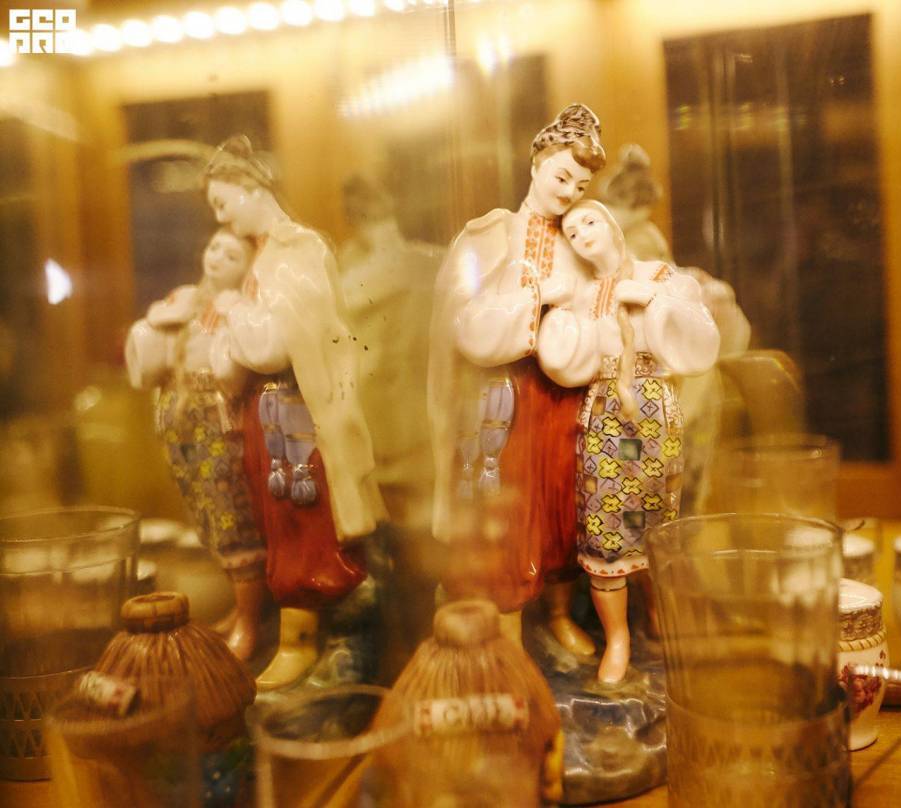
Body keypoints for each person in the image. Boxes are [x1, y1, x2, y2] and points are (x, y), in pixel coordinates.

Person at [205, 135, 386, 690]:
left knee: (300, 521)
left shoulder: (296, 251)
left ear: (251, 187)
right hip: (269, 413)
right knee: (279, 518)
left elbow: (271, 345)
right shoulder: (263, 254)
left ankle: (302, 638)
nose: (221, 218)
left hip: (294, 415)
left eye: (222, 202)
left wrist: (233, 309)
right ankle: (303, 634)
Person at [429, 104, 606, 653]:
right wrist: (536, 299)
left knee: (562, 501)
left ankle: (559, 611)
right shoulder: (489, 237)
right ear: (536, 164)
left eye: (580, 186)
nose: (569, 193)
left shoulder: (582, 238)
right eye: (561, 177)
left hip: (562, 395)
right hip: (501, 397)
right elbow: (466, 324)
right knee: (508, 506)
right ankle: (507, 625)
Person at [536, 200, 720, 682]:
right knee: (606, 526)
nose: (582, 234)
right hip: (606, 417)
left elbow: (698, 333)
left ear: (612, 224)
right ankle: (617, 640)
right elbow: (564, 358)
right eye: (572, 232)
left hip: (653, 411)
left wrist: (654, 299)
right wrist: (555, 308)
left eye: (590, 221)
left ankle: (658, 613)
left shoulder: (659, 275)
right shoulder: (584, 295)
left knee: (657, 518)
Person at [125, 227, 268, 660]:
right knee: (210, 519)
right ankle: (241, 612)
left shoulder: (245, 308)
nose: (217, 257)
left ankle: (250, 621)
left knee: (233, 518)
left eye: (232, 255)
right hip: (186, 422)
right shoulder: (191, 301)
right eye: (214, 247)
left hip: (219, 424)